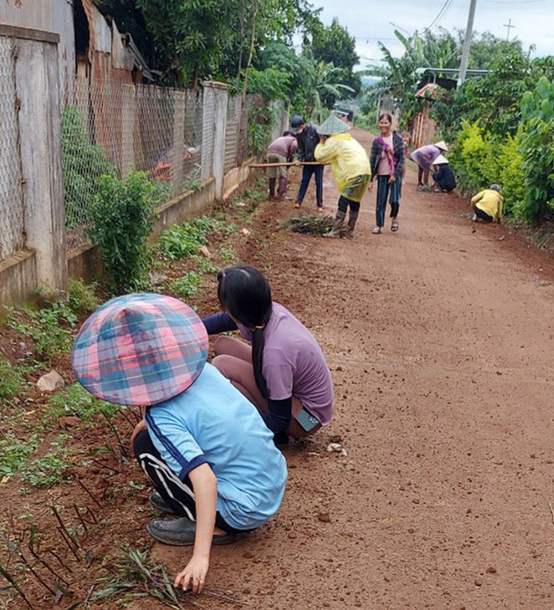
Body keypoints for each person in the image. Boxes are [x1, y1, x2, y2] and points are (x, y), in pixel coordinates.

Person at [71, 293, 286, 594]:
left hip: (245, 511)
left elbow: (206, 479)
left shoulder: (163, 418)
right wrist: (150, 421)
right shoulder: (202, 371)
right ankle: (191, 504)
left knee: (145, 447)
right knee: (150, 434)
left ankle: (214, 526)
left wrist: (200, 557)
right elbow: (198, 413)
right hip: (271, 480)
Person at [200, 265, 334, 446]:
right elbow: (225, 320)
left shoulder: (275, 353)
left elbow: (280, 417)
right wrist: (191, 328)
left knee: (222, 365)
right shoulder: (265, 311)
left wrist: (239, 431)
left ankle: (271, 434)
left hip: (305, 418)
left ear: (237, 311)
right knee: (223, 344)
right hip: (292, 394)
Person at [313, 114, 371, 239]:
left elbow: (320, 156)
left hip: (354, 172)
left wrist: (321, 143)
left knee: (343, 201)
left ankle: (335, 231)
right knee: (354, 200)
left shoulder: (334, 141)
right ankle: (349, 230)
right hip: (365, 171)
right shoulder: (349, 139)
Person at [368, 113, 406, 234]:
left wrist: (395, 175)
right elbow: (373, 160)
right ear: (378, 124)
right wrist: (371, 180)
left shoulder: (397, 139)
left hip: (395, 174)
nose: (383, 125)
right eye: (381, 123)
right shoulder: (377, 142)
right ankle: (379, 225)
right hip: (382, 174)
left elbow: (402, 159)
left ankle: (394, 217)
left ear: (390, 124)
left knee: (395, 199)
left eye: (386, 123)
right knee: (381, 200)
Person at [291, 115, 324, 212]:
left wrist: (323, 156)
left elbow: (323, 143)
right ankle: (298, 201)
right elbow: (300, 148)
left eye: (298, 127)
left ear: (303, 124)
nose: (297, 130)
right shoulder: (299, 134)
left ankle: (319, 205)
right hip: (308, 161)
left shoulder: (315, 129)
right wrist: (299, 159)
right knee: (304, 181)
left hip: (318, 162)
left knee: (319, 183)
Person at [266, 131, 298, 200]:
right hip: (281, 153)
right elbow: (294, 147)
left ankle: (271, 195)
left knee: (272, 174)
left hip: (270, 152)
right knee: (283, 174)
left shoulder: (282, 138)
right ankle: (282, 195)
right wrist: (290, 159)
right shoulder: (294, 140)